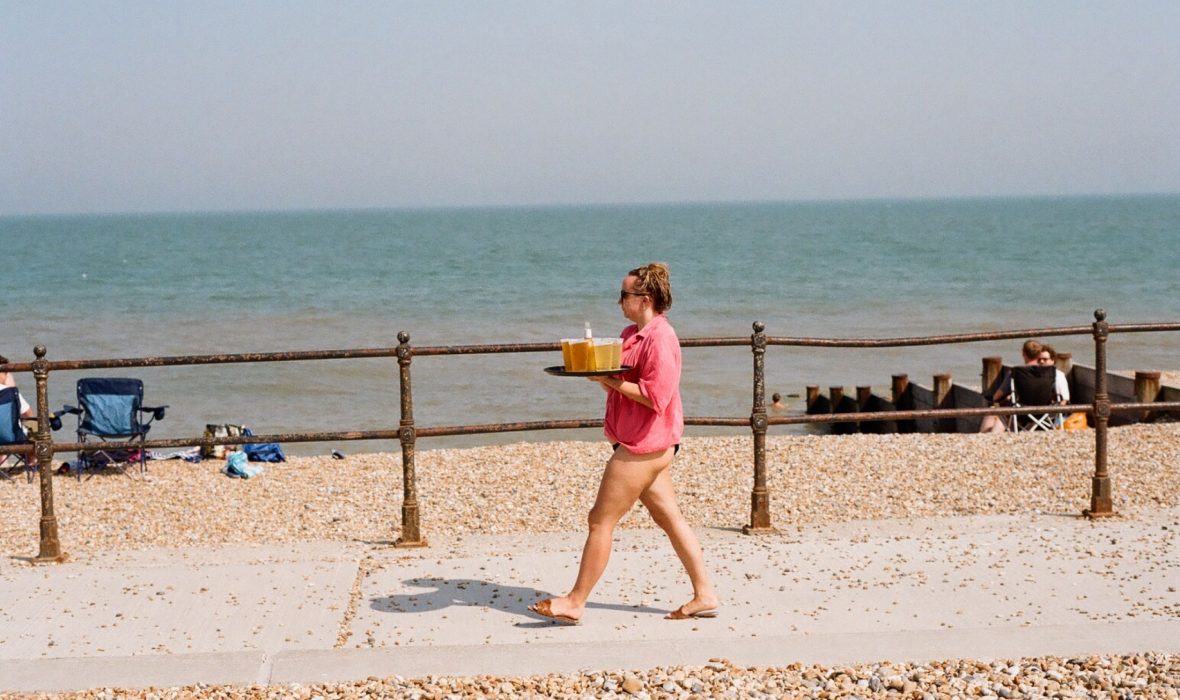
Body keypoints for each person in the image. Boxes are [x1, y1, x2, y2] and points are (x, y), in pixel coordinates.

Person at [529, 263, 719, 624]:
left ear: (644, 299)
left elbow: (656, 397)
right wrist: (599, 375)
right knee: (670, 518)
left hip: (644, 446)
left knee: (600, 520)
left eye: (624, 295)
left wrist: (611, 381)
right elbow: (619, 382)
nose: (619, 301)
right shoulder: (631, 334)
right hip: (643, 441)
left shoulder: (661, 339)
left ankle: (575, 601)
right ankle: (704, 593)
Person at [978, 340, 1042, 433]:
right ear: (1039, 354)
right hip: (1044, 413)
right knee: (1003, 413)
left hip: (1020, 414)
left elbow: (997, 396)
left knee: (994, 411)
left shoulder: (1017, 372)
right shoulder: (1051, 372)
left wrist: (998, 398)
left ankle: (987, 436)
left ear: (1023, 353)